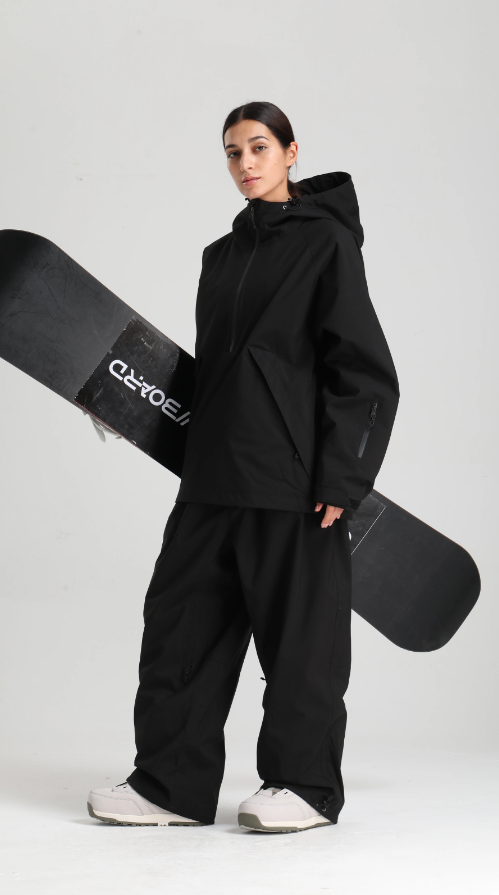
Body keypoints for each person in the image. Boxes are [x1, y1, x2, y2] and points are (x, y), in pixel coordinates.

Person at [87, 101, 399, 832]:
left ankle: (304, 786)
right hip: (211, 477)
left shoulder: (327, 245)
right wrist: (124, 402)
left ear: (291, 152)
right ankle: (169, 784)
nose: (246, 163)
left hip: (292, 482)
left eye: (259, 147)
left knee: (301, 643)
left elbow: (363, 372)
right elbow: (220, 373)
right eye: (232, 152)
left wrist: (342, 478)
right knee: (179, 628)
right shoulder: (220, 257)